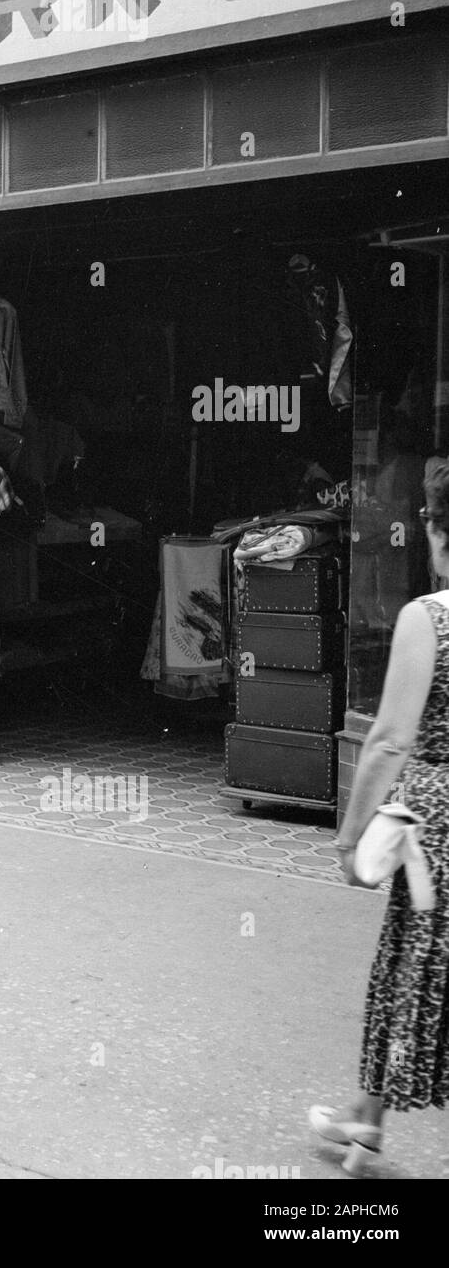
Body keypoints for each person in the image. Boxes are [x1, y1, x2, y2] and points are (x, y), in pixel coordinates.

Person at [310, 462, 449, 1174]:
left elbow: (391, 737)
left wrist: (348, 834)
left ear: (432, 527)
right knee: (414, 968)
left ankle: (366, 1117)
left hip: (439, 837)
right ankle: (365, 1116)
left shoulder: (429, 617)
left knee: (410, 966)